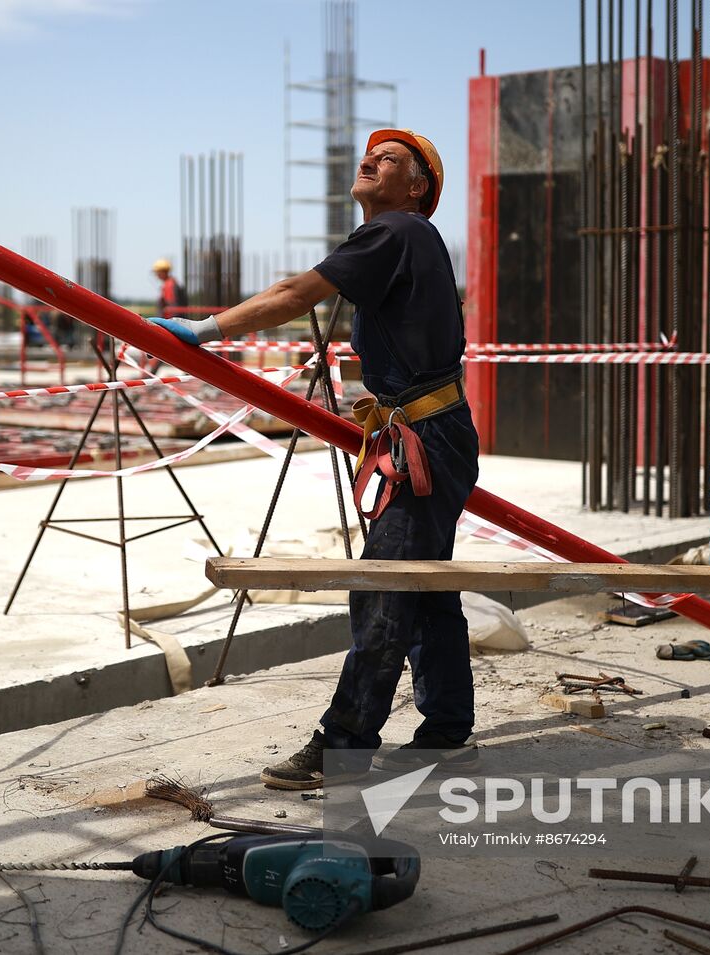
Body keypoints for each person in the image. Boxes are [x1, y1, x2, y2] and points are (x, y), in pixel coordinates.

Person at [149, 129, 479, 790]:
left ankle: (345, 741)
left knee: (387, 588)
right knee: (426, 587)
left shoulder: (398, 231)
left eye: (391, 160)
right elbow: (309, 297)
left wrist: (207, 331)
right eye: (372, 152)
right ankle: (445, 727)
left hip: (425, 437)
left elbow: (297, 293)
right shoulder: (391, 243)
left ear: (418, 189)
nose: (371, 159)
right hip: (429, 431)